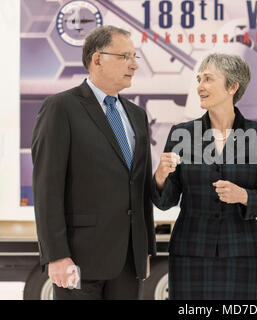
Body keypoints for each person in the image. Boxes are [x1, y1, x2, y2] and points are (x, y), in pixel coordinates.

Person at [32, 25, 156, 299]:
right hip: (78, 259)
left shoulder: (136, 115)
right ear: (97, 58)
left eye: (135, 56)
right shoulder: (61, 108)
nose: (134, 65)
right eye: (125, 56)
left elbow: (138, 186)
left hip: (128, 261)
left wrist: (144, 248)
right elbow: (47, 188)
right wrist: (57, 255)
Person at [152, 53, 257, 300]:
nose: (200, 86)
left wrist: (243, 196)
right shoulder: (182, 134)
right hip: (190, 252)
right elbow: (166, 200)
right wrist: (160, 176)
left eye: (208, 79)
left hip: (241, 253)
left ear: (233, 86)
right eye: (199, 79)